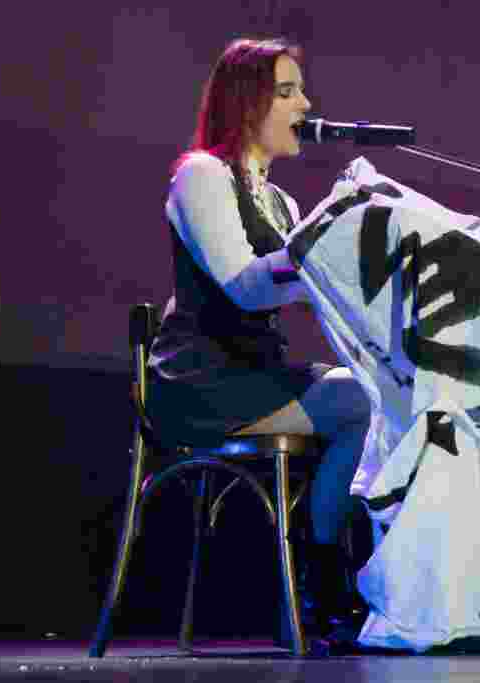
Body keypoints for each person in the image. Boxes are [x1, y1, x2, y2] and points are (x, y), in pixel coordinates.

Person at [145, 38, 371, 638]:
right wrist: (318, 249)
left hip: (261, 374)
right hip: (203, 379)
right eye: (287, 91)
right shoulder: (201, 176)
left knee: (384, 393)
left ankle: (338, 581)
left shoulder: (281, 201)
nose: (306, 105)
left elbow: (314, 294)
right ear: (247, 103)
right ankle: (324, 585)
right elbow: (246, 287)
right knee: (364, 404)